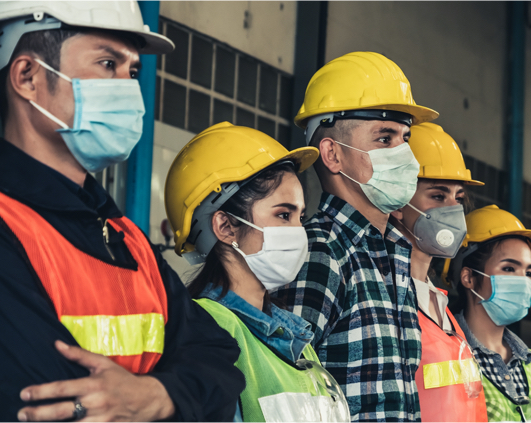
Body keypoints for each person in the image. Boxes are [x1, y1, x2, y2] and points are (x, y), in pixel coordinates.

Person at [0, 2, 244, 421]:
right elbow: (46, 403)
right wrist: (180, 394)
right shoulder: (9, 226)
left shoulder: (125, 236)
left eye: (131, 71)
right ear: (28, 76)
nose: (130, 88)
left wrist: (154, 395)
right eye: (108, 62)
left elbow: (220, 360)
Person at [270, 51, 438, 421]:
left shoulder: (393, 255)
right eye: (384, 138)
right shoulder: (319, 252)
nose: (405, 155)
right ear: (332, 154)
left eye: (405, 138)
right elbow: (290, 392)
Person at [164, 122, 350, 422]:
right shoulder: (207, 329)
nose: (299, 232)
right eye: (283, 215)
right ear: (225, 226)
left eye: (300, 217)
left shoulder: (294, 338)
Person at [390, 122, 488, 421]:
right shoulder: (385, 298)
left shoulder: (439, 301)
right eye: (437, 196)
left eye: (458, 198)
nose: (453, 210)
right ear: (397, 201)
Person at [445, 205, 531, 422]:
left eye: (529, 272)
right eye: (508, 269)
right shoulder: (446, 356)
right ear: (468, 278)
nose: (523, 281)